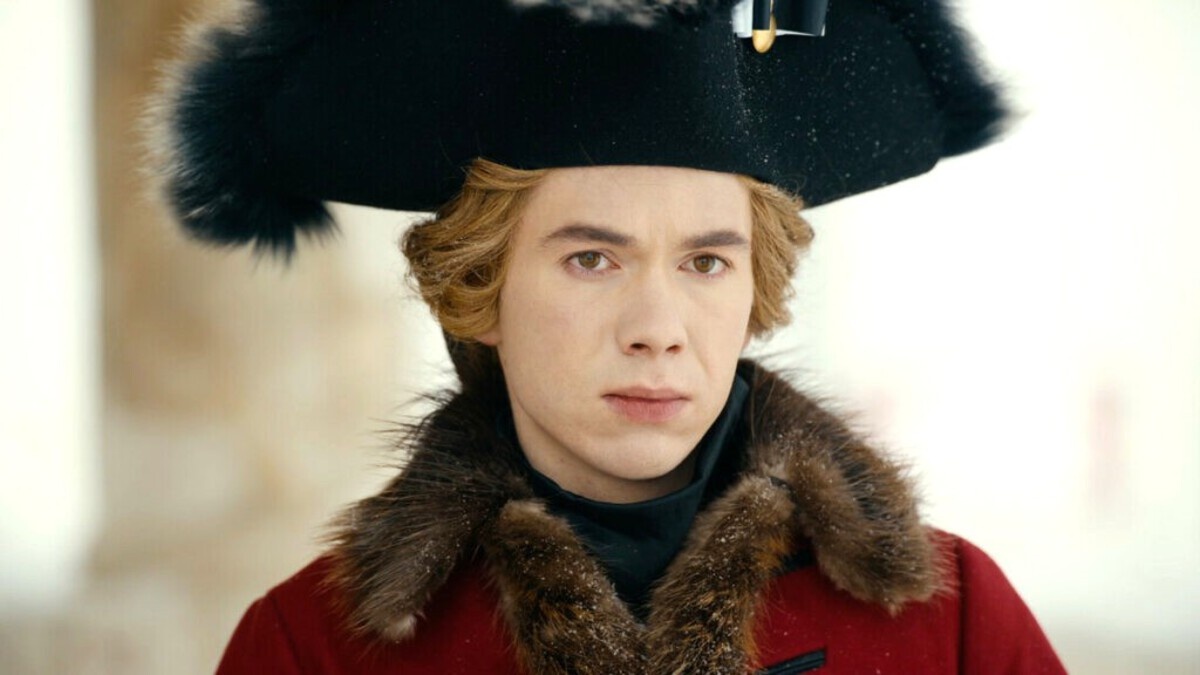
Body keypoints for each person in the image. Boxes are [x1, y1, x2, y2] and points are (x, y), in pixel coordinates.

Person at [150, 0, 1067, 672]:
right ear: (481, 286)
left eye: (705, 262)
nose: (658, 330)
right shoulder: (312, 649)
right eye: (592, 259)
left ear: (756, 283)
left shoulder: (954, 620)